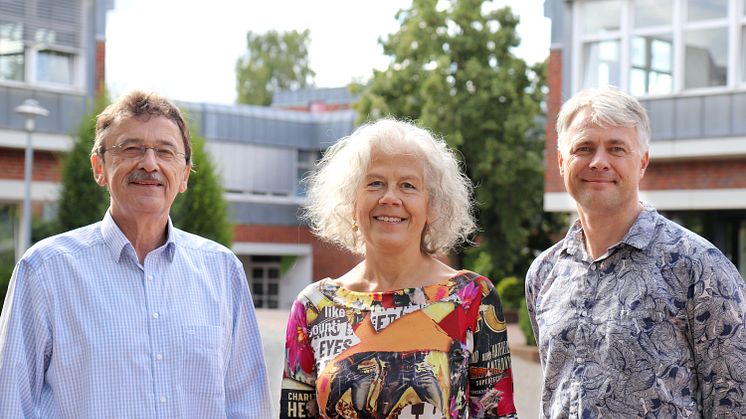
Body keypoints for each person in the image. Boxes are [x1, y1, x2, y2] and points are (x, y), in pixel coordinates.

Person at [0, 90, 272, 417]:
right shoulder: (45, 270)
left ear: (184, 175)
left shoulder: (222, 270)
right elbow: (11, 401)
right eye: (131, 149)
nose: (149, 163)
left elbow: (247, 405)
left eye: (165, 151)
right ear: (99, 167)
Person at [525, 87, 746, 418]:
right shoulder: (544, 273)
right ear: (561, 162)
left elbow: (734, 402)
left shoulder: (700, 268)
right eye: (584, 148)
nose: (599, 162)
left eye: (616, 149)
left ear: (642, 162)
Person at [280, 118, 518, 418]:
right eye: (375, 183)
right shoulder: (313, 306)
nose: (390, 198)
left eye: (408, 185)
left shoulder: (472, 298)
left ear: (433, 206)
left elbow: (498, 414)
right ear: (351, 203)